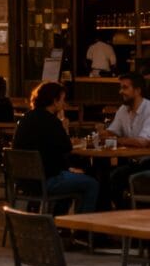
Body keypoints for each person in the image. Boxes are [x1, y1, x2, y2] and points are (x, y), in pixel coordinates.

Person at [12, 81, 98, 214]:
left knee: (72, 179)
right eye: (62, 100)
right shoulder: (52, 121)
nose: (64, 104)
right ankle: (82, 225)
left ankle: (58, 220)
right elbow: (67, 147)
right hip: (47, 181)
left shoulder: (25, 118)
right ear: (54, 101)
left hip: (23, 181)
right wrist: (64, 127)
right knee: (91, 184)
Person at [102, 73, 150, 208]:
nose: (120, 91)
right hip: (132, 161)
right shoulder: (123, 109)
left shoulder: (149, 109)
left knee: (115, 176)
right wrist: (101, 134)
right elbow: (112, 132)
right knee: (101, 174)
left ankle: (124, 212)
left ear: (138, 90)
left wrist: (117, 140)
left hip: (147, 162)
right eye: (120, 87)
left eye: (125, 88)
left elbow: (143, 142)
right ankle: (106, 214)